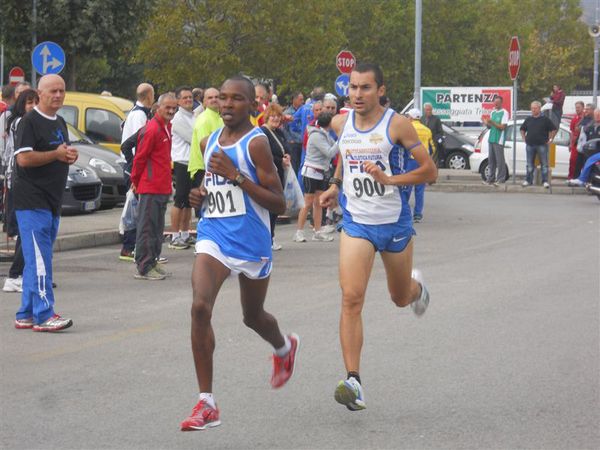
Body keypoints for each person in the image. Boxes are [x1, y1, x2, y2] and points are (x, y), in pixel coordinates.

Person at [180, 75, 299, 431]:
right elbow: (209, 184)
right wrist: (199, 195)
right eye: (223, 99)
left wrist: (237, 177)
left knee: (253, 316)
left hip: (251, 242)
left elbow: (280, 204)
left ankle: (284, 348)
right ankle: (207, 403)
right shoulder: (209, 139)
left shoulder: (258, 144)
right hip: (214, 235)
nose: (227, 104)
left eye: (236, 99)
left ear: (252, 104)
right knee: (200, 306)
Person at [319, 63, 437, 411]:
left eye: (365, 88)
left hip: (394, 223)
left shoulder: (397, 125)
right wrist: (335, 185)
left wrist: (391, 181)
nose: (357, 94)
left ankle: (417, 290)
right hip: (357, 222)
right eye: (353, 88)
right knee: (351, 298)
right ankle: (353, 381)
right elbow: (346, 156)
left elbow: (430, 172)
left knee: (399, 298)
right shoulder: (341, 123)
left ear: (380, 90)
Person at [12, 74, 78, 332]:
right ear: (39, 93)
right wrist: (56, 154)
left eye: (62, 90)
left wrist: (68, 156)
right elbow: (24, 160)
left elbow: (62, 152)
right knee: (41, 260)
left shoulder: (60, 121)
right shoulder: (29, 122)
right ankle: (44, 315)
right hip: (31, 200)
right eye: (53, 91)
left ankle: (26, 313)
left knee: (36, 259)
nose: (59, 95)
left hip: (52, 200)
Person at [130, 93, 177, 280]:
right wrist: (135, 181)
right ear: (158, 107)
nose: (171, 111)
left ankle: (153, 260)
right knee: (147, 227)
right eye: (168, 108)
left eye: (174, 108)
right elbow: (139, 158)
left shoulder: (165, 127)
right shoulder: (152, 130)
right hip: (150, 186)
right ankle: (144, 265)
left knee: (156, 228)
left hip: (161, 186)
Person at [2, 89, 39, 293]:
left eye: (35, 102)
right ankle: (15, 275)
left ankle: (27, 274)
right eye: (28, 103)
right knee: (27, 231)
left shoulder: (25, 122)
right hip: (20, 182)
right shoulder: (20, 123)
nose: (32, 106)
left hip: (26, 182)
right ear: (21, 105)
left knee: (30, 232)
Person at [118, 83, 154, 261]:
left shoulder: (135, 112)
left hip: (132, 165)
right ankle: (129, 247)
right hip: (134, 167)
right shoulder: (139, 115)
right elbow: (140, 142)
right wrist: (136, 170)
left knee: (137, 207)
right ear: (148, 96)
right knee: (135, 208)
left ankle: (135, 246)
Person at [294, 112, 338, 243]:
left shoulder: (324, 134)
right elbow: (330, 152)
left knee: (319, 203)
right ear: (329, 123)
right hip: (311, 172)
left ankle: (317, 232)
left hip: (320, 172)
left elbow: (333, 147)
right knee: (307, 203)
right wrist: (341, 140)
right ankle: (299, 232)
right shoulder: (316, 136)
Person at [260, 103, 291, 251]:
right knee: (270, 208)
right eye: (273, 115)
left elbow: (286, 148)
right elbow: (265, 155)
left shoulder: (279, 132)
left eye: (279, 116)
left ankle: (271, 237)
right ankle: (268, 238)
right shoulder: (262, 132)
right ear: (267, 116)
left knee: (275, 208)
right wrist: (280, 160)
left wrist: (287, 156)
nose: (276, 118)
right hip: (269, 174)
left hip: (280, 172)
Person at [169, 86, 196, 250]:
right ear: (178, 100)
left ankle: (185, 234)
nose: (188, 100)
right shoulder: (178, 119)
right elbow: (193, 138)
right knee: (179, 201)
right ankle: (174, 235)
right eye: (185, 98)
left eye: (190, 97)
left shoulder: (193, 116)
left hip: (191, 163)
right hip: (181, 162)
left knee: (188, 202)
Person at [188, 87, 223, 186]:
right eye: (210, 97)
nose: (214, 99)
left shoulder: (219, 118)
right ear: (204, 102)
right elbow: (206, 148)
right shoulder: (204, 119)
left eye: (217, 97)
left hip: (214, 167)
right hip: (203, 169)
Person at [520, 101, 557, 188]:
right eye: (532, 108)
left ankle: (545, 181)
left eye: (535, 108)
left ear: (539, 109)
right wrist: (523, 138)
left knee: (544, 164)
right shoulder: (528, 119)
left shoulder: (545, 119)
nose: (533, 110)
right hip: (530, 145)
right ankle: (528, 180)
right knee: (529, 164)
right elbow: (522, 129)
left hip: (542, 145)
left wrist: (551, 139)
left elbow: (553, 129)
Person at [405, 108, 433, 223]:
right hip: (423, 161)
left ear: (411, 117)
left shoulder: (407, 128)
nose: (407, 118)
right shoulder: (427, 130)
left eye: (408, 116)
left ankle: (405, 213)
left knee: (406, 187)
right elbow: (432, 147)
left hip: (410, 160)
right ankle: (417, 214)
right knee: (420, 190)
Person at [482, 96, 510, 185]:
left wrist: (492, 122)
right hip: (491, 138)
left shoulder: (504, 112)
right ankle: (490, 179)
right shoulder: (493, 112)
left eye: (497, 103)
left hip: (499, 139)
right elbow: (490, 127)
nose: (496, 104)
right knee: (491, 160)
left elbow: (502, 127)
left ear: (501, 103)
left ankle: (501, 179)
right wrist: (486, 123)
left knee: (500, 160)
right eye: (495, 103)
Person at [283, 91, 304, 173]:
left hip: (302, 143)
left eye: (303, 100)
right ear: (294, 100)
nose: (302, 102)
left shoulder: (304, 111)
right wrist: (289, 139)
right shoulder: (287, 113)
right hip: (293, 143)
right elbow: (284, 129)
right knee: (294, 166)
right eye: (300, 100)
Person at [568, 101, 585, 180]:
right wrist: (571, 144)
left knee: (583, 162)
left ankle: (583, 178)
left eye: (578, 107)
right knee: (572, 161)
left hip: (584, 144)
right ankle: (571, 177)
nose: (577, 109)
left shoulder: (586, 118)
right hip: (576, 144)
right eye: (576, 107)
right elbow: (572, 132)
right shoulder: (574, 119)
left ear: (583, 108)